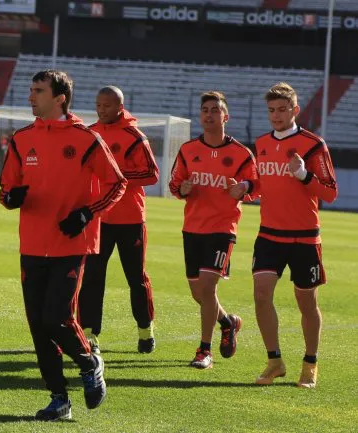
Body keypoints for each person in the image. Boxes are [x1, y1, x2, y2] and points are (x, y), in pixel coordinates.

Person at [0, 70, 127, 421]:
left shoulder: (85, 138)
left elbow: (117, 184)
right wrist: (12, 198)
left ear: (60, 98)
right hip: (32, 245)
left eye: (38, 91)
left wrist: (87, 214)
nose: (30, 97)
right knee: (38, 327)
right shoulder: (21, 138)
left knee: (57, 318)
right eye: (30, 90)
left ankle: (89, 364)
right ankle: (59, 401)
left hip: (72, 244)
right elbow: (6, 189)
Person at [230, 82, 338, 388]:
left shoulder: (313, 144)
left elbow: (330, 192)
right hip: (270, 234)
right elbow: (262, 182)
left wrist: (304, 174)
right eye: (271, 110)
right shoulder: (262, 142)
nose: (276, 115)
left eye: (282, 110)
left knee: (307, 304)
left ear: (295, 110)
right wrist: (246, 188)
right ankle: (275, 362)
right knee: (261, 296)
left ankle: (310, 364)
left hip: (305, 237)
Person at [168, 91, 254, 369]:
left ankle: (204, 350)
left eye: (215, 110)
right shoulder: (188, 150)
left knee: (207, 287)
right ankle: (228, 323)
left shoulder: (241, 154)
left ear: (225, 116)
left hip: (222, 228)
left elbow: (255, 185)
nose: (209, 114)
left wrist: (243, 189)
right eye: (205, 109)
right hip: (192, 228)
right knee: (199, 294)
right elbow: (175, 184)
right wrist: (182, 188)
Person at [79, 86, 159, 354]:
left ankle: (145, 329)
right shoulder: (90, 133)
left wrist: (118, 176)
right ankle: (90, 334)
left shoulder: (134, 136)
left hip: (130, 219)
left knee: (135, 277)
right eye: (98, 105)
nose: (101, 110)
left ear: (119, 107)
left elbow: (151, 174)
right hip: (99, 218)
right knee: (92, 277)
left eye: (107, 106)